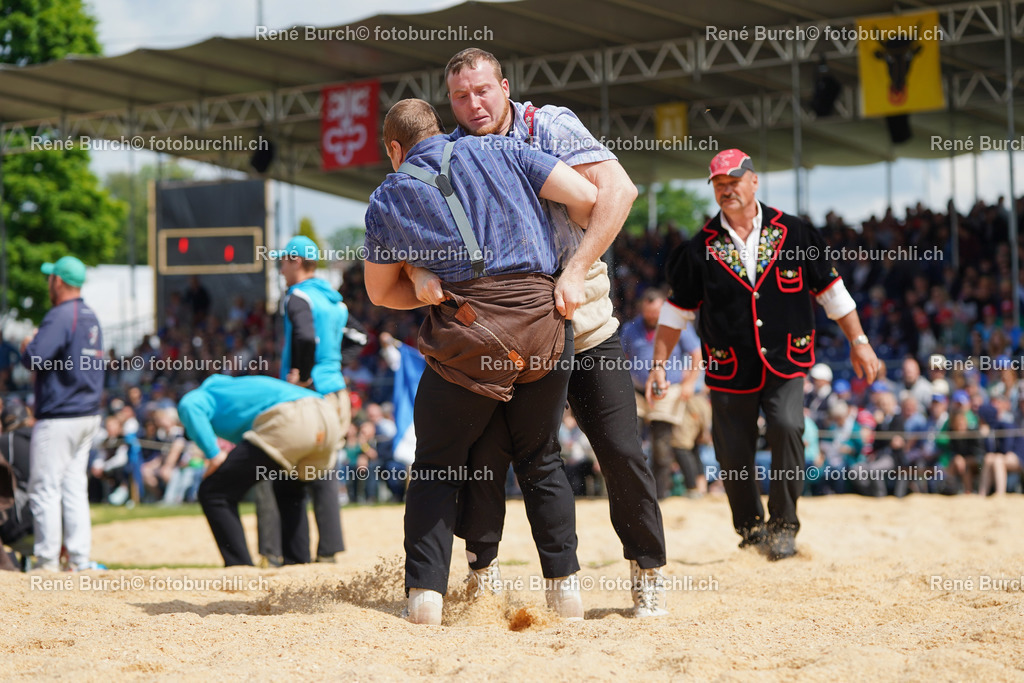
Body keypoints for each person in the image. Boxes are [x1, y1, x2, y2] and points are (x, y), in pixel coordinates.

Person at [405, 47, 670, 618]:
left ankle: (646, 569)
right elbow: (410, 221)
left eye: (481, 90)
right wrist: (420, 270)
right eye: (459, 96)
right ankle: (483, 567)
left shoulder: (546, 124)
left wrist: (574, 271)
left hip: (584, 318)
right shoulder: (453, 151)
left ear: (504, 85)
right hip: (508, 332)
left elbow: (618, 193)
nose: (473, 104)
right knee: (488, 457)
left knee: (621, 450)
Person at [363, 98, 598, 625]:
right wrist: (572, 266)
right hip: (544, 321)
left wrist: (423, 284)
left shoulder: (388, 195)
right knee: (541, 459)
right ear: (441, 130)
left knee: (437, 465)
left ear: (394, 149)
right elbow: (587, 199)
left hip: (469, 336)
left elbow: (380, 294)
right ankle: (566, 594)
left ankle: (425, 599)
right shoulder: (503, 148)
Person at [649, 149, 879, 560]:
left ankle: (785, 526)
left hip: (786, 359)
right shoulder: (699, 248)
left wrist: (858, 341)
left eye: (734, 181)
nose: (726, 190)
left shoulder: (796, 233)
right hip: (727, 365)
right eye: (719, 184)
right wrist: (660, 365)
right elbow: (674, 313)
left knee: (788, 427)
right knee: (732, 452)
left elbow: (832, 292)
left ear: (754, 181)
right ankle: (751, 529)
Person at [180, 374, 349, 567]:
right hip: (328, 416)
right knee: (289, 488)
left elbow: (189, 406)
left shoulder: (206, 393)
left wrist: (213, 454)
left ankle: (240, 567)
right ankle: (297, 563)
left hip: (292, 418)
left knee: (214, 492)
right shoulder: (235, 389)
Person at [253, 234, 348, 566]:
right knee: (323, 468)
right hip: (337, 393)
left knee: (283, 470)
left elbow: (306, 336)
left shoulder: (297, 297)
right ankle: (328, 551)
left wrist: (304, 374)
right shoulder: (336, 300)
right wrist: (328, 365)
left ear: (296, 261)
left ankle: (287, 555)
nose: (280, 268)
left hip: (309, 394)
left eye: (282, 261)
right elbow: (356, 336)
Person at [20, 255, 105, 571]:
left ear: (58, 281)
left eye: (50, 277)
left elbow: (37, 358)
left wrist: (27, 343)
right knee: (73, 488)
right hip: (87, 413)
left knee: (44, 487)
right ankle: (80, 561)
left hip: (60, 416)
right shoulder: (89, 315)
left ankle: (46, 561)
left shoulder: (61, 315)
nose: (48, 283)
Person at [620, 288, 700, 499]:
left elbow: (696, 354)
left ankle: (659, 495)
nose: (652, 316)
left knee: (661, 445)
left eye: (656, 312)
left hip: (668, 390)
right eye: (649, 313)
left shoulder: (677, 325)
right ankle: (634, 490)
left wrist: (690, 383)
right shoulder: (631, 328)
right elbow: (620, 357)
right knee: (630, 440)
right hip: (637, 391)